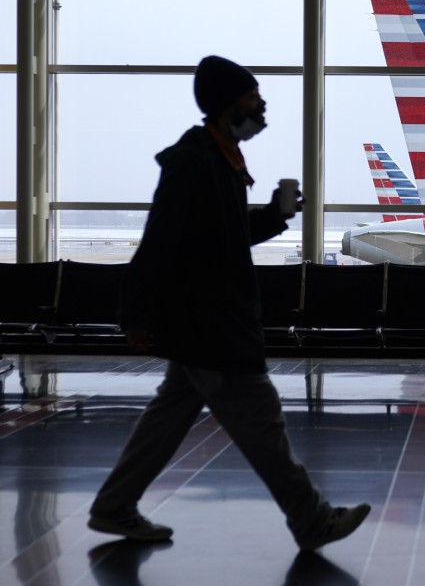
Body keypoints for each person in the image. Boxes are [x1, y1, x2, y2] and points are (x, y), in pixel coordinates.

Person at [87, 56, 370, 551]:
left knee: (168, 418)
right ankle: (312, 518)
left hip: (208, 318)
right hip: (211, 322)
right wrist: (136, 314)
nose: (261, 105)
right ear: (225, 104)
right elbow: (161, 241)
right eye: (251, 96)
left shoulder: (219, 159)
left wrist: (273, 217)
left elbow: (223, 236)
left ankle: (114, 506)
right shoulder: (195, 161)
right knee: (261, 422)